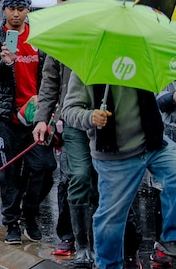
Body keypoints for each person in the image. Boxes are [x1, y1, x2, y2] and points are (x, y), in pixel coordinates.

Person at [62, 72, 176, 269]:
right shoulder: (88, 67)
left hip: (152, 142)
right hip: (114, 153)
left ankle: (170, 240)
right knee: (111, 219)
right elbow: (69, 110)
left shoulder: (141, 58)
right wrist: (90, 116)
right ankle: (108, 265)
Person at [0, 0, 56, 244]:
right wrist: (6, 64)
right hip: (6, 118)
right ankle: (11, 221)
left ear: (28, 10)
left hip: (36, 116)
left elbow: (50, 74)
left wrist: (48, 104)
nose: (16, 14)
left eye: (21, 9)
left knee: (45, 167)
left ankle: (29, 212)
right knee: (9, 171)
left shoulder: (39, 36)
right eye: (11, 8)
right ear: (4, 10)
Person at [31, 0, 97, 266]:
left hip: (105, 121)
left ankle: (107, 243)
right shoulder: (59, 38)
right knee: (77, 177)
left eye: (62, 4)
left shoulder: (100, 34)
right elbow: (50, 83)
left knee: (103, 182)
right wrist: (42, 119)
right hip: (72, 121)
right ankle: (80, 244)